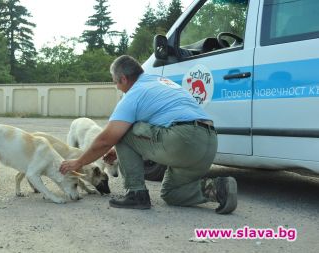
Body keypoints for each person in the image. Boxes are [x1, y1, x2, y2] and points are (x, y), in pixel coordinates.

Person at [60, 55, 237, 214]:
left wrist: (79, 161)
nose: (117, 87)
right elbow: (154, 127)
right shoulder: (160, 81)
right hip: (209, 142)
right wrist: (124, 149)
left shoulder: (133, 94)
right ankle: (219, 188)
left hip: (183, 140)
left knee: (122, 132)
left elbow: (107, 138)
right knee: (171, 194)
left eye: (115, 82)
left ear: (123, 79)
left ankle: (136, 193)